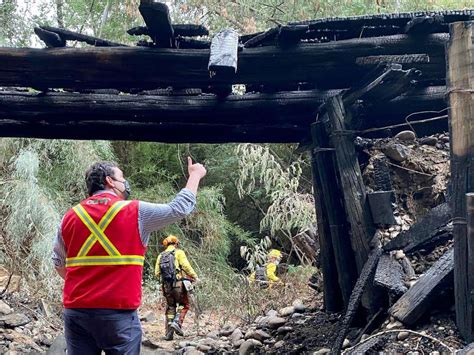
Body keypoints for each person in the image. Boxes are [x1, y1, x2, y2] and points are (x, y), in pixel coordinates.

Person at [52, 157, 206, 355]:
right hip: (118, 317)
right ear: (109, 181)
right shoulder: (136, 212)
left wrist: (85, 286)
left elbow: (58, 262)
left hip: (77, 314)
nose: (125, 183)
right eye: (122, 177)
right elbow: (179, 208)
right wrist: (195, 175)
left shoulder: (69, 216)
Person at [155, 235, 198, 340]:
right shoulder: (179, 252)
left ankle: (169, 333)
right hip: (178, 284)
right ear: (176, 243)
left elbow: (157, 273)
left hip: (166, 286)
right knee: (184, 304)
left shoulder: (161, 255)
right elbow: (186, 266)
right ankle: (177, 322)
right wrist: (195, 276)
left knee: (170, 307)